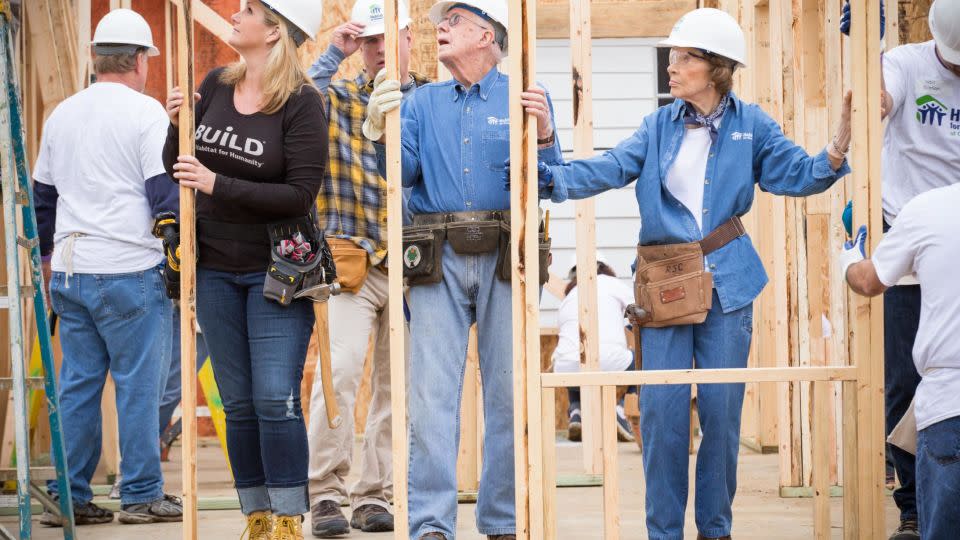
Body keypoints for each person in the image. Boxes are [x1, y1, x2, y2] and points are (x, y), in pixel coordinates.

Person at [520, 8, 855, 540]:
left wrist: (835, 151)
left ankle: (715, 530)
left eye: (683, 58)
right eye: (671, 57)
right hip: (665, 286)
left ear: (716, 67)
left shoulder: (753, 125)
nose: (671, 67)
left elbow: (798, 174)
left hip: (729, 283)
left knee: (721, 417)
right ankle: (664, 534)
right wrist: (544, 155)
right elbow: (601, 171)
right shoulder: (656, 126)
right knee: (662, 418)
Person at [365, 0, 562, 538]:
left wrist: (543, 133)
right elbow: (398, 175)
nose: (441, 31)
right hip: (438, 256)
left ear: (487, 36)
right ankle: (430, 525)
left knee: (506, 394)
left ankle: (502, 521)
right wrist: (379, 127)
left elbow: (552, 179)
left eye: (454, 22)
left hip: (507, 257)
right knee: (430, 398)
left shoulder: (523, 94)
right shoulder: (422, 102)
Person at [162, 0, 326, 538]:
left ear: (275, 31)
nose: (235, 13)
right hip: (214, 268)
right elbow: (179, 166)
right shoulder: (214, 83)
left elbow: (299, 194)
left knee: (275, 398)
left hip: (275, 271)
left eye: (249, 9)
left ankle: (287, 518)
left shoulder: (302, 102)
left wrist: (218, 185)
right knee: (237, 403)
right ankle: (256, 515)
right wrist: (176, 126)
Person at [32, 8, 183, 526]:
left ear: (97, 58)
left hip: (72, 271)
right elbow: (163, 196)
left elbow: (43, 200)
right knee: (139, 387)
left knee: (78, 386)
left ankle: (69, 495)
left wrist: (49, 266)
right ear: (140, 60)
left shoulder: (62, 113)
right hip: (129, 271)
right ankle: (141, 493)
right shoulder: (147, 115)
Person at [303, 0, 431, 536]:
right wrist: (334, 52)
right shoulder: (335, 97)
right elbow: (293, 101)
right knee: (340, 372)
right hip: (351, 263)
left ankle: (373, 494)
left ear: (406, 40)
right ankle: (325, 493)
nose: (379, 49)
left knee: (395, 387)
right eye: (369, 40)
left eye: (387, 39)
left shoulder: (429, 102)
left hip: (412, 267)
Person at [841, 1, 960, 536]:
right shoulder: (907, 64)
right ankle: (913, 507)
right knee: (905, 382)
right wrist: (870, 78)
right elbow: (877, 100)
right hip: (910, 236)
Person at [840, 183, 960, 540]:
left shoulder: (927, 209)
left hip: (949, 408)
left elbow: (868, 281)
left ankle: (911, 515)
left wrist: (848, 258)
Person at [551, 255, 636, 443]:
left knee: (575, 358)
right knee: (641, 359)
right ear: (605, 267)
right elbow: (637, 308)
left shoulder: (569, 297)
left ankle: (576, 412)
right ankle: (621, 411)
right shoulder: (610, 283)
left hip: (564, 366)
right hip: (606, 359)